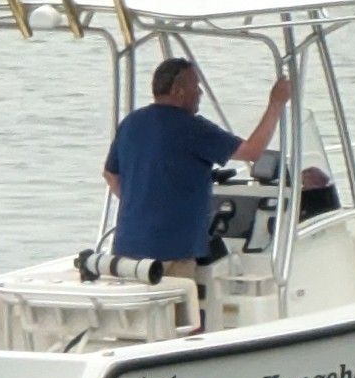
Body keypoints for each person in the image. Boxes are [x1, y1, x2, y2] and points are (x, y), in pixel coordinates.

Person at [103, 58, 291, 276]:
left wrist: (142, 203)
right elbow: (252, 151)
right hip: (171, 252)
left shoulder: (131, 123)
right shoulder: (193, 129)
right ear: (179, 91)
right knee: (178, 307)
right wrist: (276, 104)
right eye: (196, 86)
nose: (200, 92)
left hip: (126, 249)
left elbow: (110, 174)